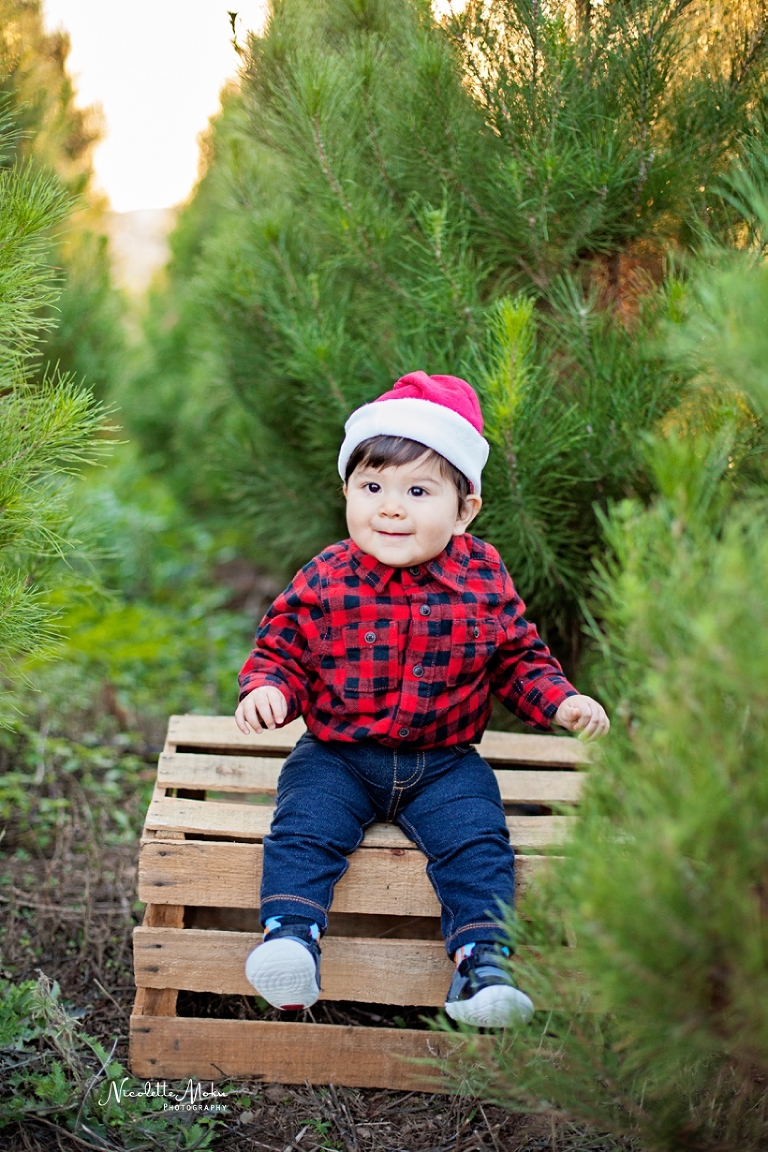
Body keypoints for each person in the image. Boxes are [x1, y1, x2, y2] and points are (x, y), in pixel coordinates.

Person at [235, 372, 609, 1027]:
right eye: (372, 487)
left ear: (464, 510)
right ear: (347, 491)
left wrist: (559, 701)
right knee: (304, 826)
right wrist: (269, 687)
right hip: (339, 754)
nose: (390, 508)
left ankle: (482, 966)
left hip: (444, 762)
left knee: (478, 843)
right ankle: (290, 939)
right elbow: (285, 645)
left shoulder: (482, 576)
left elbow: (516, 655)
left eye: (417, 491)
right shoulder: (327, 575)